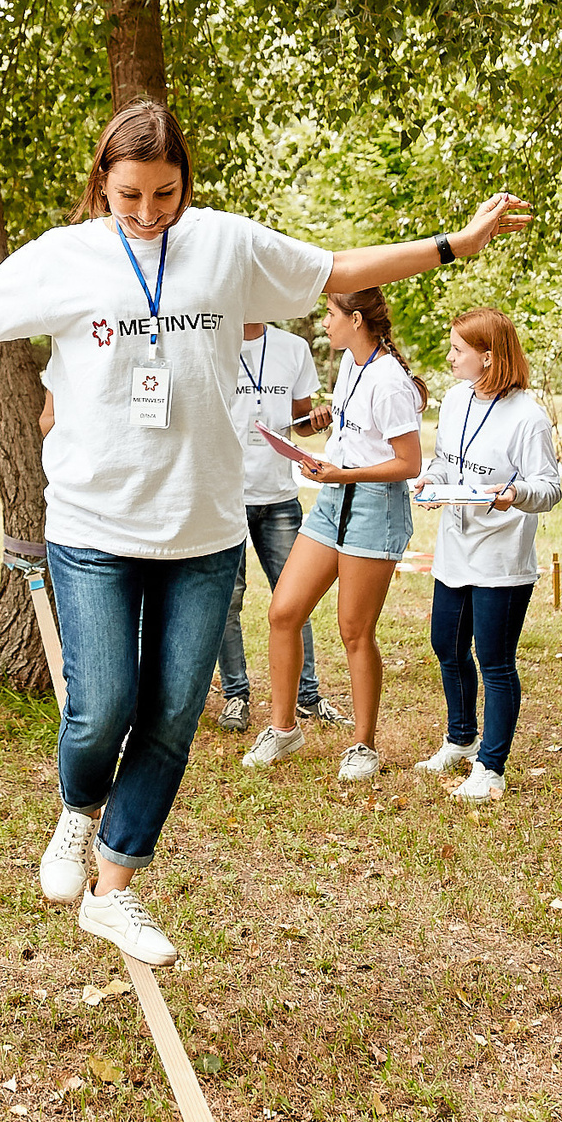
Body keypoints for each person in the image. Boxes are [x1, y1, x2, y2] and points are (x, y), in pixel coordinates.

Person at [0, 98, 529, 966]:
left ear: (187, 181)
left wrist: (455, 245)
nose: (148, 214)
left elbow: (337, 266)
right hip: (95, 525)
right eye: (130, 196)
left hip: (204, 529)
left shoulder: (223, 244)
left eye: (165, 194)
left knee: (174, 713)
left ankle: (117, 883)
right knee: (103, 706)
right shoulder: (68, 257)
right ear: (102, 185)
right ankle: (76, 810)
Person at [241, 289, 429, 783]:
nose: (323, 322)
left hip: (372, 507)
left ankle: (363, 745)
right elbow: (353, 439)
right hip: (332, 502)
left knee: (354, 631)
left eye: (330, 314)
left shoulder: (388, 380)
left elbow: (409, 463)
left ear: (356, 318)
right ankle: (283, 729)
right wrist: (322, 447)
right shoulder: (350, 363)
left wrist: (341, 474)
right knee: (283, 611)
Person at [410, 309, 562, 801]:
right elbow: (442, 461)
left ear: (489, 357)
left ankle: (491, 767)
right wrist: (431, 482)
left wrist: (513, 493)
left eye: (458, 349)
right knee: (447, 646)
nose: (449, 356)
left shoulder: (528, 416)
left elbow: (550, 487)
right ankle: (460, 738)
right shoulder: (455, 400)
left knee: (494, 659)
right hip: (454, 549)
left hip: (501, 557)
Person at [215, 321, 323, 731]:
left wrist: (316, 421)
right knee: (229, 602)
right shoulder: (215, 341)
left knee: (295, 599)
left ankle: (307, 696)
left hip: (279, 496)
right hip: (227, 498)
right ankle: (236, 696)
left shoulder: (293, 347)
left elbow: (300, 422)